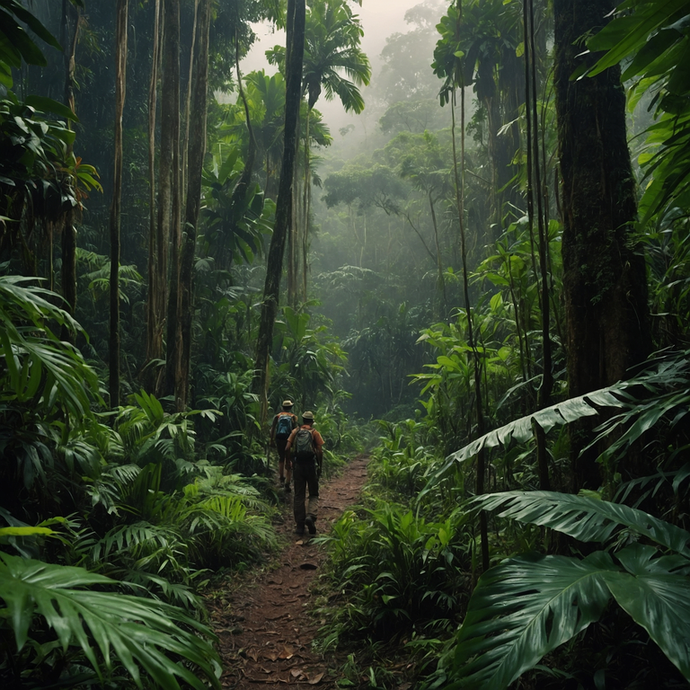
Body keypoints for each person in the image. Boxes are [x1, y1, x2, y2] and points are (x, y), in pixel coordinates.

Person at [285, 410, 324, 536]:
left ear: (302, 420)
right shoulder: (314, 433)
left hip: (298, 466)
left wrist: (288, 462)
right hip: (310, 465)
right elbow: (319, 451)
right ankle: (311, 516)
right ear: (312, 421)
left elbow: (287, 448)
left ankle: (300, 526)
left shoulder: (295, 432)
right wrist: (320, 466)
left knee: (298, 495)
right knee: (313, 493)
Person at [270, 400, 298, 492]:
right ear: (290, 408)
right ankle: (287, 482)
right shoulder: (293, 417)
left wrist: (272, 440)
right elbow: (294, 431)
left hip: (279, 438)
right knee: (289, 459)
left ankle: (281, 478)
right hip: (288, 438)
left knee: (281, 458)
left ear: (282, 407)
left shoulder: (277, 416)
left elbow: (273, 428)